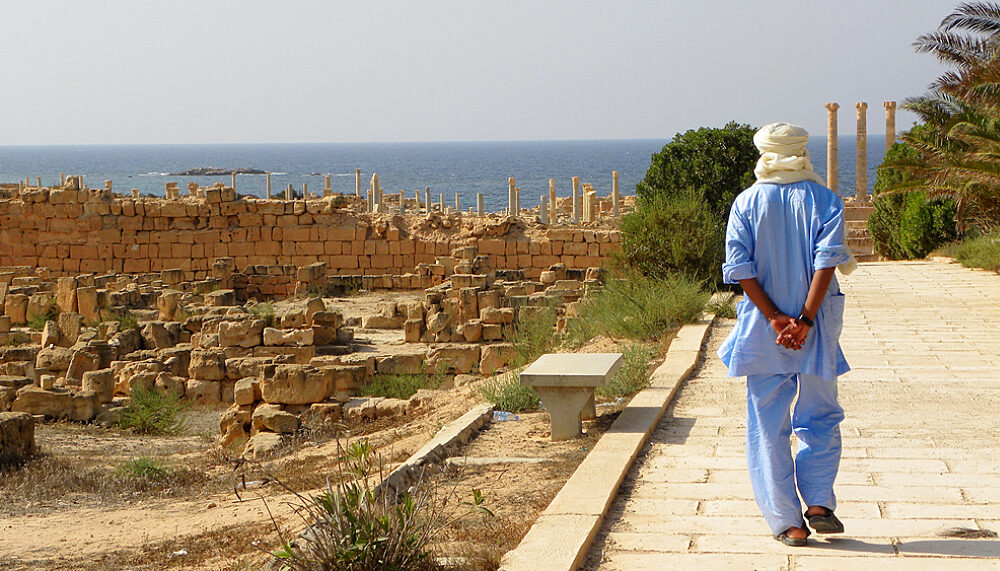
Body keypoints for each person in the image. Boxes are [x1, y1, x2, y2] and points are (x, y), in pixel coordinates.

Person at [717, 122, 856, 546]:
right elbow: (827, 260)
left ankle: (788, 523)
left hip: (765, 330)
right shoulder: (825, 199)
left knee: (768, 425)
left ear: (765, 153)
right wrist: (806, 319)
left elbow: (739, 269)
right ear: (801, 152)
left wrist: (778, 318)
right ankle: (817, 502)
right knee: (821, 415)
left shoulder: (746, 202)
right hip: (817, 326)